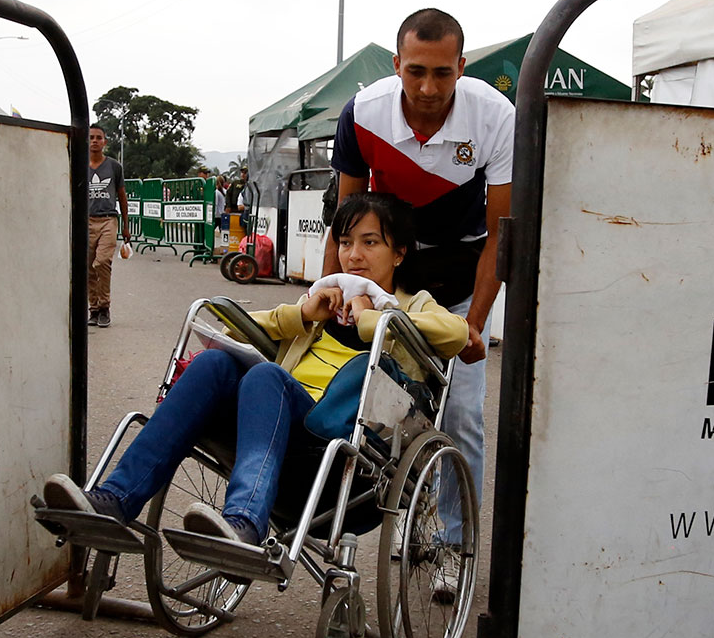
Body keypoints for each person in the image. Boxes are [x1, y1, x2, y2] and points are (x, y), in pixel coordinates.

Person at [39, 192, 465, 546]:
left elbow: (456, 334)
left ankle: (245, 524)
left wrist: (372, 316)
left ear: (400, 253)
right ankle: (115, 500)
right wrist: (302, 314)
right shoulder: (322, 303)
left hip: (345, 460)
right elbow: (232, 327)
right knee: (213, 363)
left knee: (266, 377)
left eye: (371, 243)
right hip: (275, 431)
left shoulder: (408, 307)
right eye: (346, 241)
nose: (354, 255)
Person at [326, 7, 512, 551]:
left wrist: (473, 327)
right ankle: (365, 527)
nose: (428, 87)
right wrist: (332, 293)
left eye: (442, 72)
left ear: (461, 66)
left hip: (455, 287)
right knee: (370, 409)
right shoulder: (362, 111)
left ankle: (456, 547)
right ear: (396, 65)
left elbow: (500, 237)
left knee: (461, 418)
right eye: (415, 72)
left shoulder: (495, 116)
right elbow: (345, 224)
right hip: (392, 288)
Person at [85, 124, 129, 328]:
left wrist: (126, 226)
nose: (94, 141)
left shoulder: (113, 167)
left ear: (105, 142)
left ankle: (105, 307)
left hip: (108, 220)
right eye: (91, 137)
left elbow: (121, 196)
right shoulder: (78, 164)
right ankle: (93, 309)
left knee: (102, 262)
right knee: (87, 268)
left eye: (98, 137)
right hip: (85, 221)